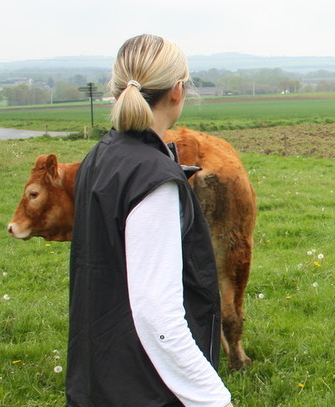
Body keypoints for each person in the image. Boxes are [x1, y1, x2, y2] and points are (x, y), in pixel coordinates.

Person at [67, 34, 233, 407]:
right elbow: (157, 314)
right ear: (178, 90)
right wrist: (211, 397)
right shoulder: (151, 179)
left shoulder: (101, 156)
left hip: (100, 378)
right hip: (145, 389)